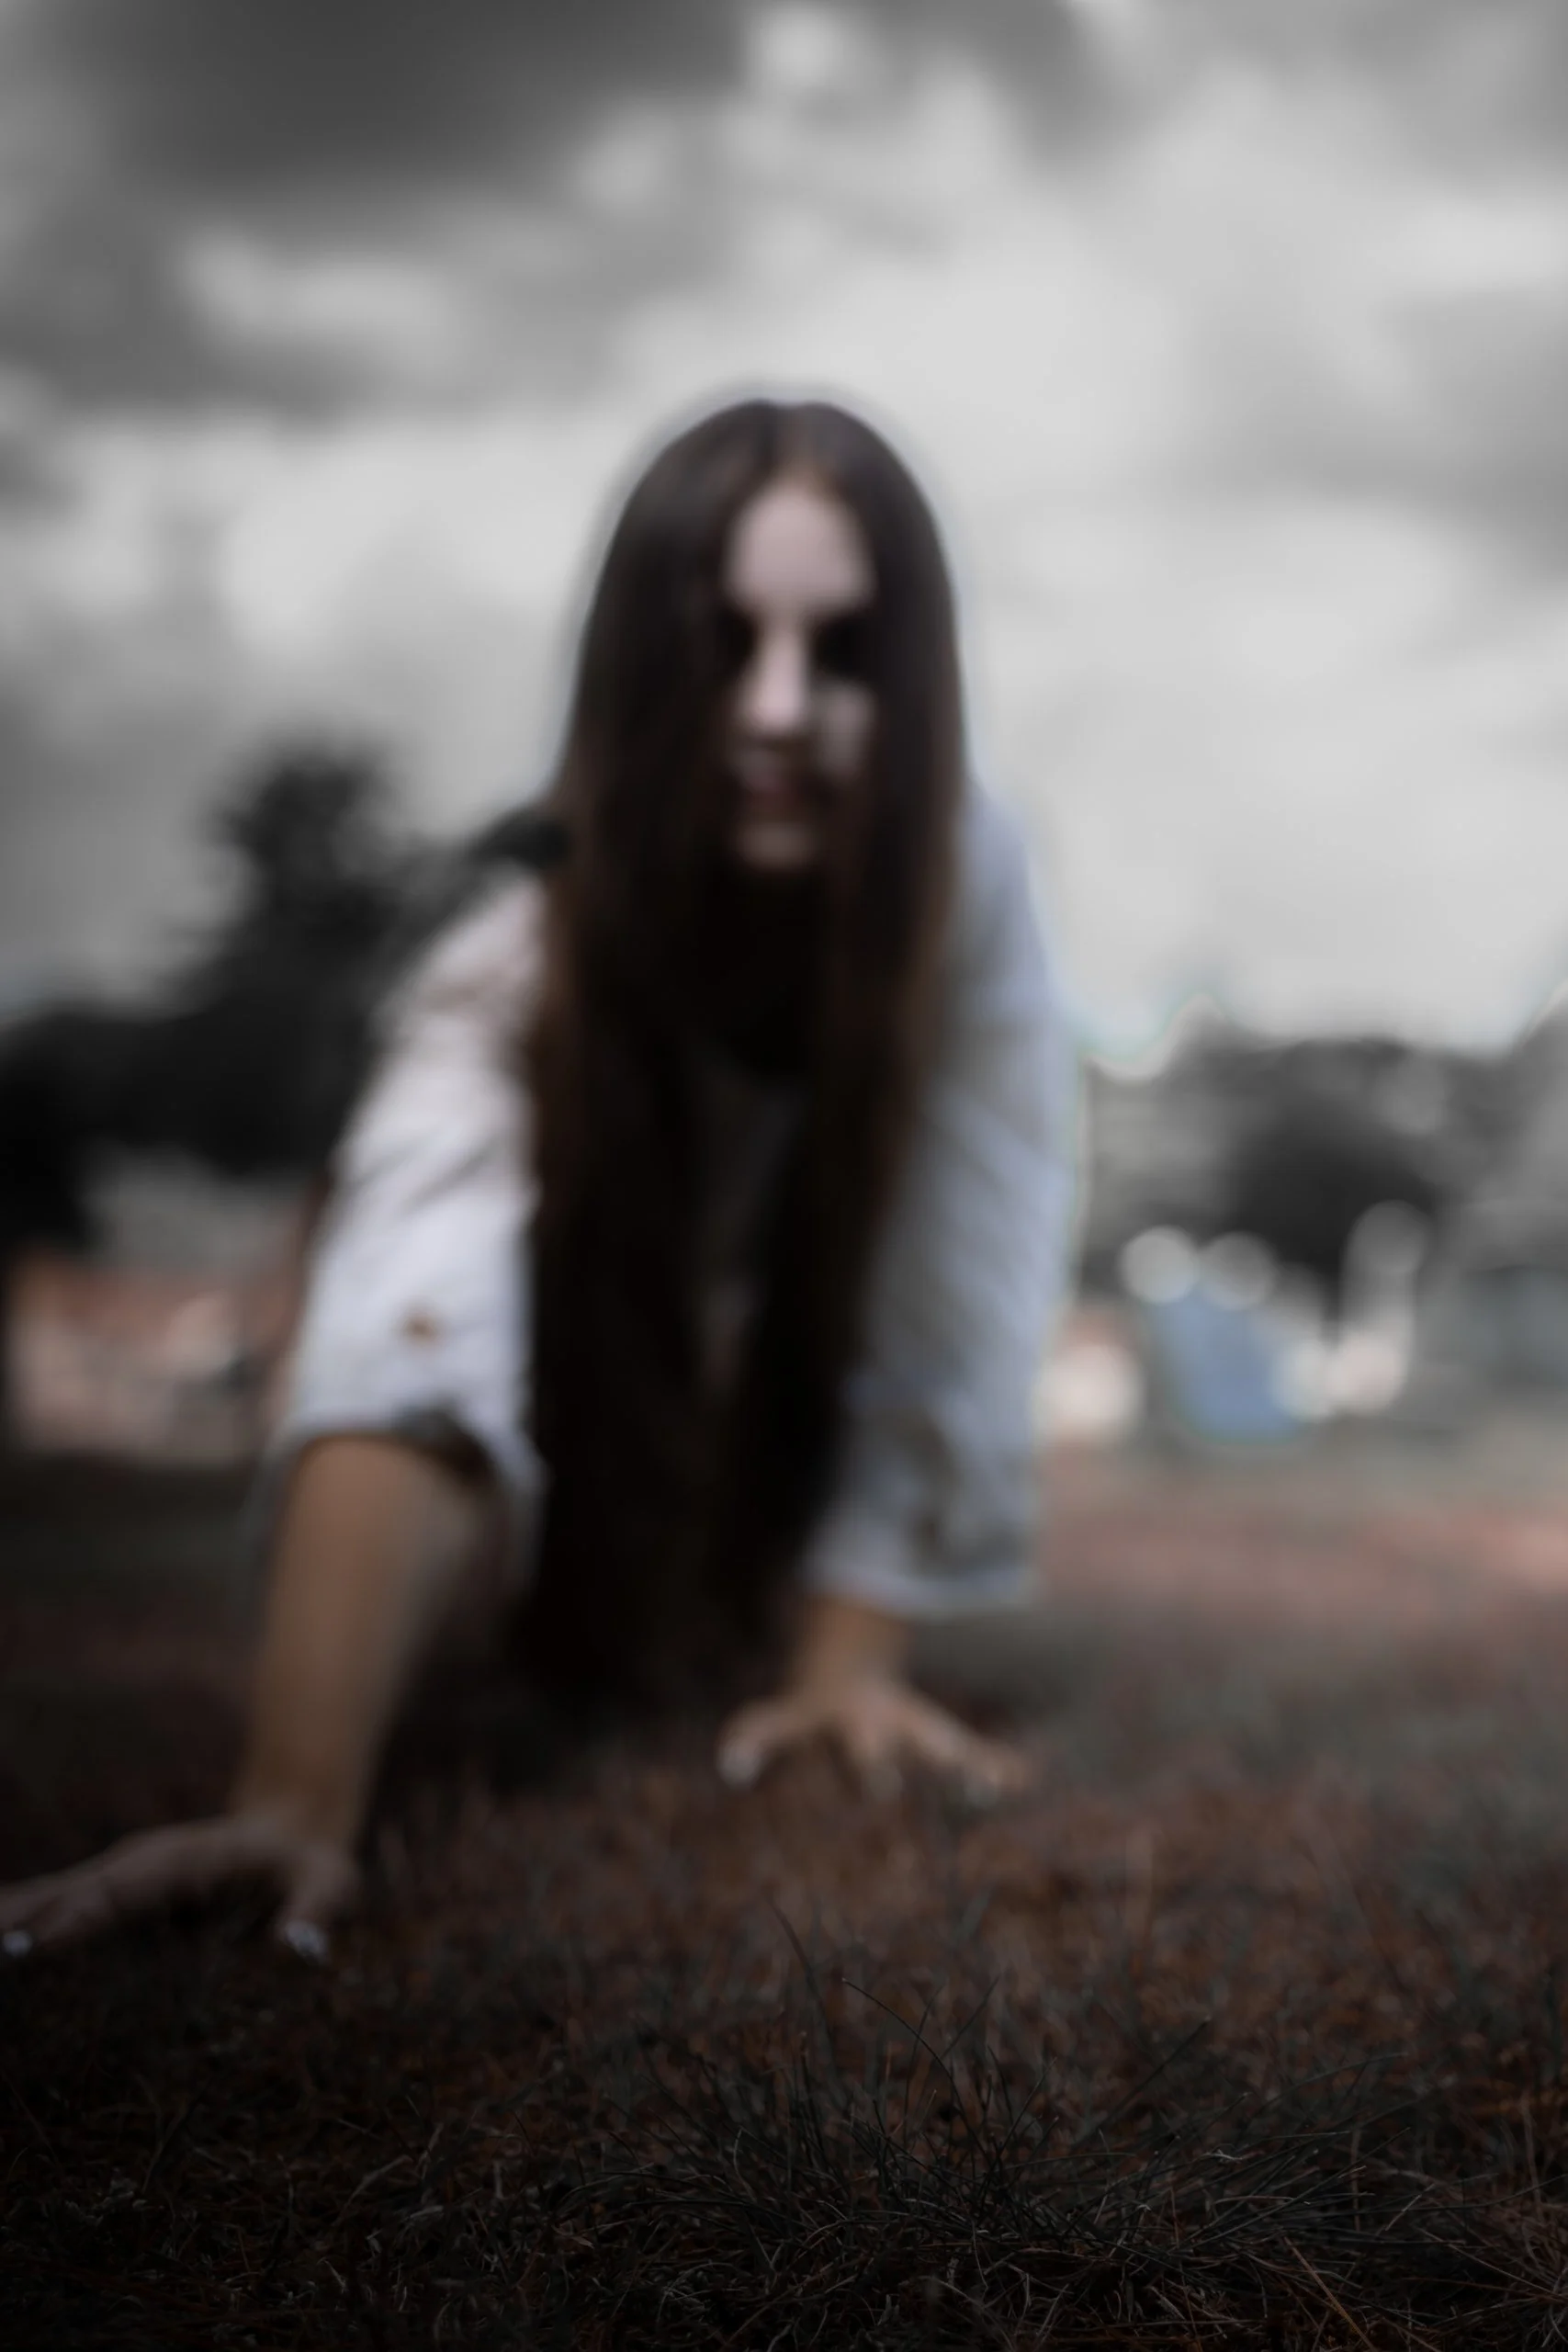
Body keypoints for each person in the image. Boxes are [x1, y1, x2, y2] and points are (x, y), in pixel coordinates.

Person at [0, 398, 1076, 1961]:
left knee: (699, 1630)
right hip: (574, 1407)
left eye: (838, 651)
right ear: (637, 666)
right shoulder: (507, 937)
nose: (777, 708)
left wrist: (846, 1658)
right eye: (724, 644)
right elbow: (413, 1319)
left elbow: (963, 1265)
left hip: (762, 1410)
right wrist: (294, 1794)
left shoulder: (968, 888)